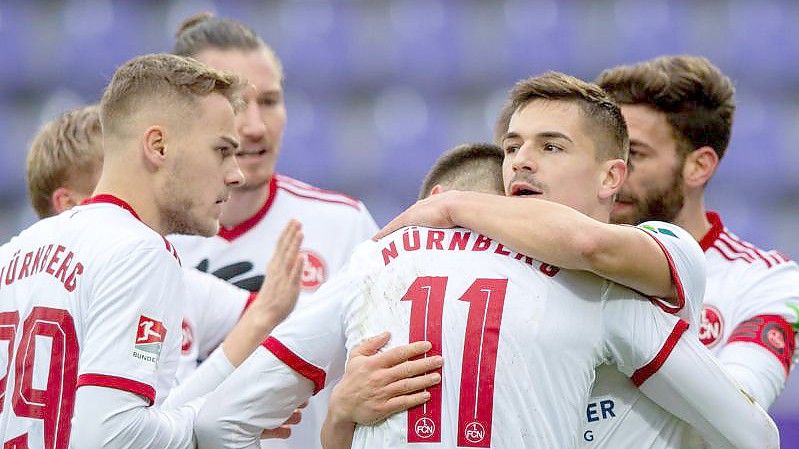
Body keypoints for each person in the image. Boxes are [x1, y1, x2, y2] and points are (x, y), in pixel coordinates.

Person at [193, 72, 777, 449]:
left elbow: (220, 425)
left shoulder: (651, 254)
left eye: (550, 146)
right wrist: (340, 418)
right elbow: (751, 434)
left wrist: (449, 210)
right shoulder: (601, 297)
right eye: (513, 147)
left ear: (612, 176)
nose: (522, 161)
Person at [0, 53, 303, 448]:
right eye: (221, 150)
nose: (236, 173)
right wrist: (212, 420)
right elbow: (111, 437)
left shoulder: (16, 252)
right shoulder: (140, 252)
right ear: (158, 146)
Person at [167, 15, 380, 448]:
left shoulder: (344, 225)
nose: (256, 127)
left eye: (270, 100)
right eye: (237, 103)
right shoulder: (145, 238)